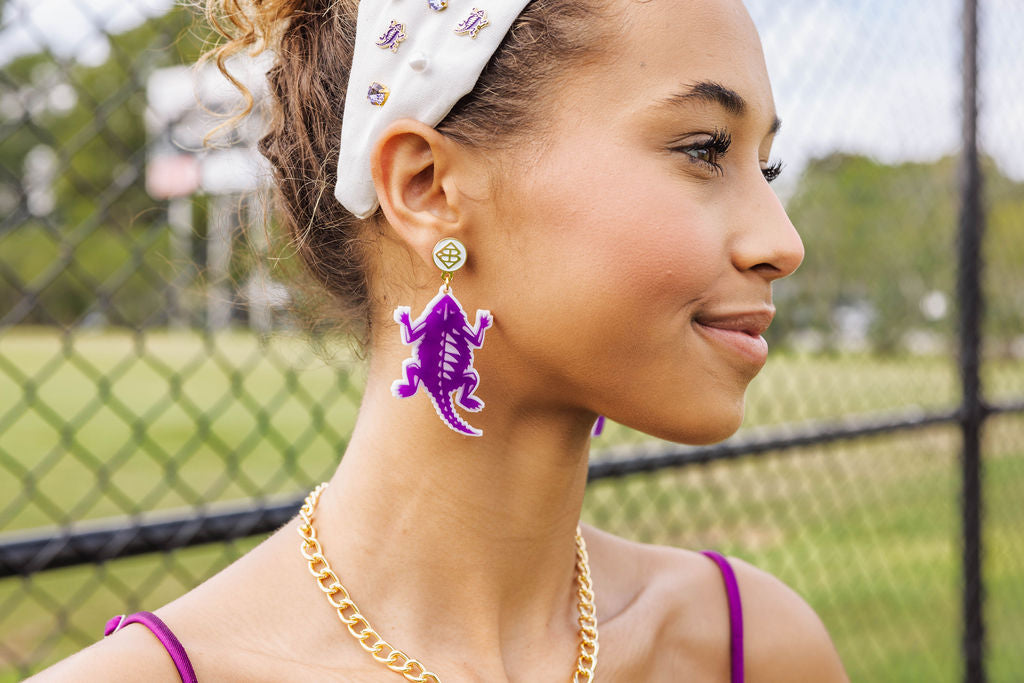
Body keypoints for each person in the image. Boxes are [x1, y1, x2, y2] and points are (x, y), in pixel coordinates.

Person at [32, 0, 849, 680]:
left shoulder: (755, 646)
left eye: (765, 167)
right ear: (425, 188)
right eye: (705, 149)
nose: (782, 240)